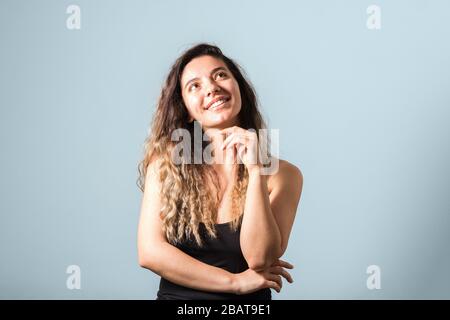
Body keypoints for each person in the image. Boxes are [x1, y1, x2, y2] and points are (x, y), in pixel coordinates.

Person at [137, 43, 303, 300]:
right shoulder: (166, 164)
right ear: (187, 110)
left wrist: (256, 170)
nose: (212, 88)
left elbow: (260, 259)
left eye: (220, 75)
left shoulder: (285, 175)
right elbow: (150, 252)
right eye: (195, 85)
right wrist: (233, 282)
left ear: (239, 88)